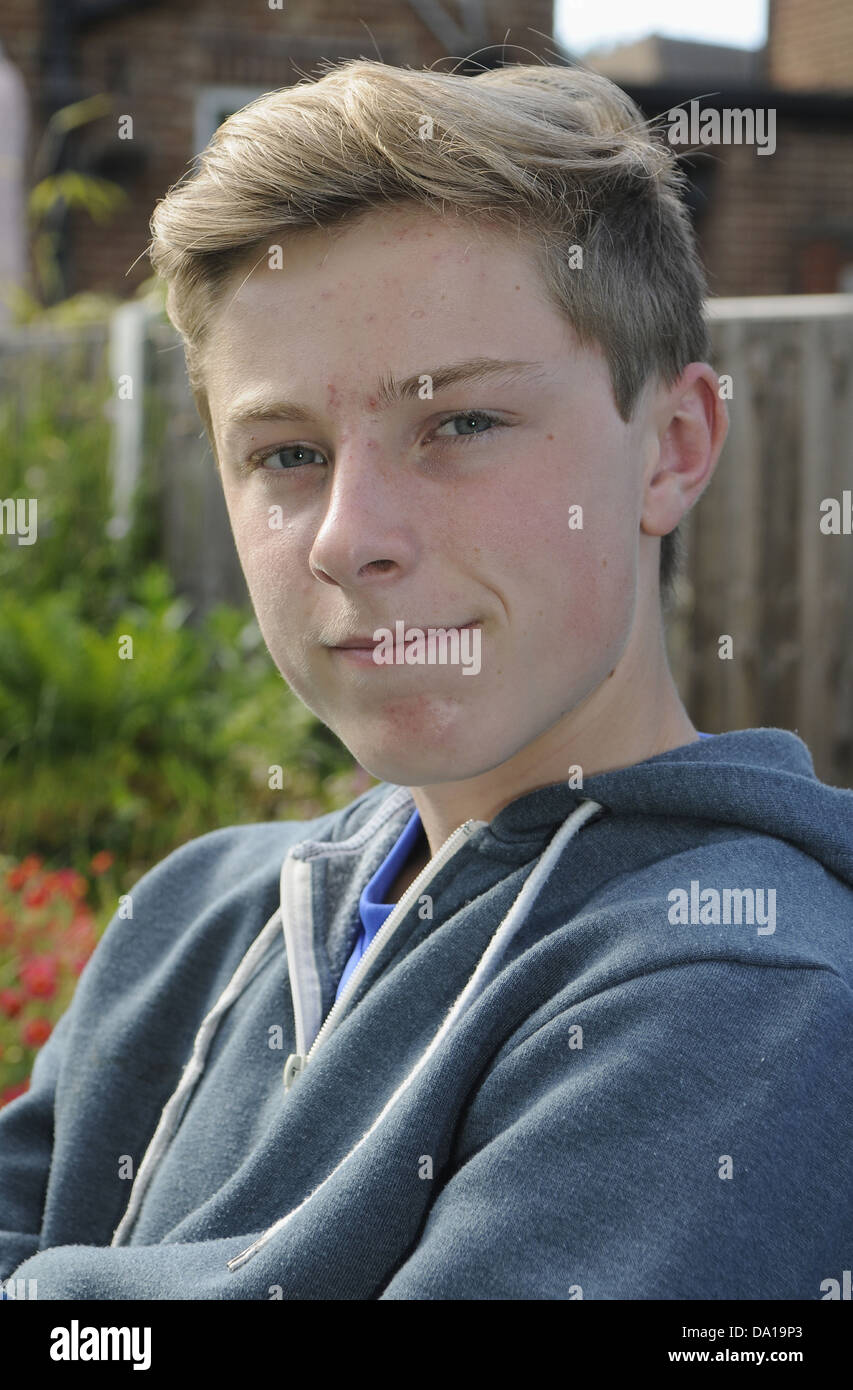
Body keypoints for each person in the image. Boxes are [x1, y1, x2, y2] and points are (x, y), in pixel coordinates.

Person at [2, 58, 851, 1301]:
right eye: (285, 453)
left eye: (459, 424)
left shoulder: (741, 984)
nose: (349, 537)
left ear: (671, 450)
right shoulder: (193, 918)